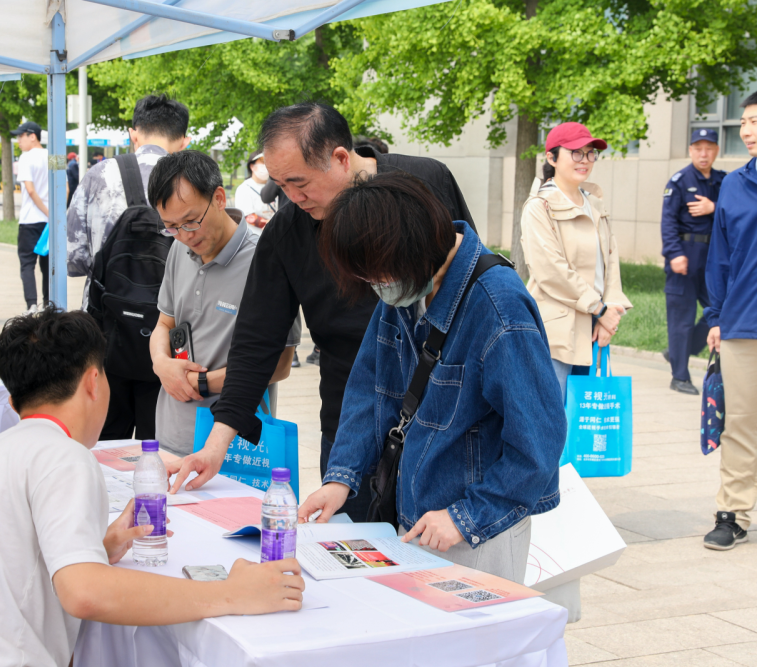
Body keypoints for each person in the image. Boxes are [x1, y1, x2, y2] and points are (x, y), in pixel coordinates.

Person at [0, 306, 304, 666]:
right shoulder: (63, 456)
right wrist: (234, 594)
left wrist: (101, 545)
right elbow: (86, 593)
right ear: (94, 381)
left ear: (13, 402)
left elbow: (13, 557)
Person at [170, 103, 474, 524]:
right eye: (280, 185)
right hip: (353, 426)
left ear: (341, 159)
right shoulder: (288, 232)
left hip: (444, 419)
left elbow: (470, 279)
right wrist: (216, 443)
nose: (292, 198)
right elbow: (257, 339)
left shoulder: (425, 182)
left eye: (299, 183)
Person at [298, 172, 564, 583]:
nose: (378, 288)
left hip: (477, 529)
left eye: (380, 276)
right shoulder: (404, 281)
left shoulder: (499, 307)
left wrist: (466, 517)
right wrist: (341, 478)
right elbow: (370, 386)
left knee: (472, 644)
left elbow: (539, 440)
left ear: (416, 248)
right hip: (417, 518)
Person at [148, 151, 299, 456]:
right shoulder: (179, 250)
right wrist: (162, 365)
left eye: (191, 222)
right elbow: (165, 324)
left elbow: (281, 363)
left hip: (236, 446)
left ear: (218, 198)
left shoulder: (266, 260)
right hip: (172, 433)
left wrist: (200, 383)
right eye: (171, 226)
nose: (184, 236)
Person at [520, 122, 632, 399]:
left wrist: (610, 314)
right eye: (576, 153)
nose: (585, 161)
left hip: (594, 325)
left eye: (590, 153)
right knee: (552, 421)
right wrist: (599, 309)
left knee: (582, 423)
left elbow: (610, 262)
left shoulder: (593, 203)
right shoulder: (539, 206)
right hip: (556, 329)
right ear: (551, 157)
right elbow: (551, 271)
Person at [67, 94, 190, 309]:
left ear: (133, 134)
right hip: (172, 317)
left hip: (104, 314)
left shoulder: (98, 175)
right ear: (184, 142)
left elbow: (73, 259)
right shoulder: (193, 182)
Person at [702, 91, 757, 551]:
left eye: (755, 120)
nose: (747, 129)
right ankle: (733, 512)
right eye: (744, 121)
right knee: (740, 421)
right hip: (742, 322)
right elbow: (719, 258)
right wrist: (715, 315)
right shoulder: (735, 185)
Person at [661, 129, 725, 394]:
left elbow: (737, 211)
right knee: (682, 318)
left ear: (716, 151)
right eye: (698, 148)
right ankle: (680, 376)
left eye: (709, 148)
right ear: (690, 150)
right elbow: (668, 221)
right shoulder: (679, 181)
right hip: (685, 255)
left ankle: (680, 351)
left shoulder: (724, 181)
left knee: (719, 311)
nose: (703, 153)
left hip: (714, 259)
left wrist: (714, 207)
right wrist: (674, 253)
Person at [12, 121, 50, 313]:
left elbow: (29, 189)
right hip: (49, 223)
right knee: (48, 265)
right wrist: (53, 214)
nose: (18, 140)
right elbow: (66, 187)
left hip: (30, 220)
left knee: (27, 263)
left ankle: (32, 305)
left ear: (32, 136)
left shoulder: (25, 158)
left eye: (21, 136)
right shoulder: (54, 156)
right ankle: (49, 304)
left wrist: (45, 210)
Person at [233, 150, 277, 231]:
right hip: (256, 239)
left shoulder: (276, 185)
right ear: (252, 166)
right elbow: (249, 217)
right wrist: (276, 226)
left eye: (269, 161)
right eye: (263, 162)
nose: (266, 165)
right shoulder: (244, 189)